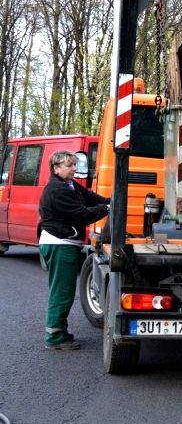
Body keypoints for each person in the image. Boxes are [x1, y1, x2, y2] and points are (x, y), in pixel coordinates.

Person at [39, 150, 109, 350]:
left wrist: (107, 201)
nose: (73, 168)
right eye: (69, 165)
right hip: (60, 244)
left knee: (62, 290)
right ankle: (54, 338)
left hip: (63, 243)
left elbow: (89, 196)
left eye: (74, 164)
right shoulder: (57, 190)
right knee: (62, 292)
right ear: (56, 168)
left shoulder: (68, 185)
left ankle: (59, 332)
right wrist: (106, 209)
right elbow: (81, 214)